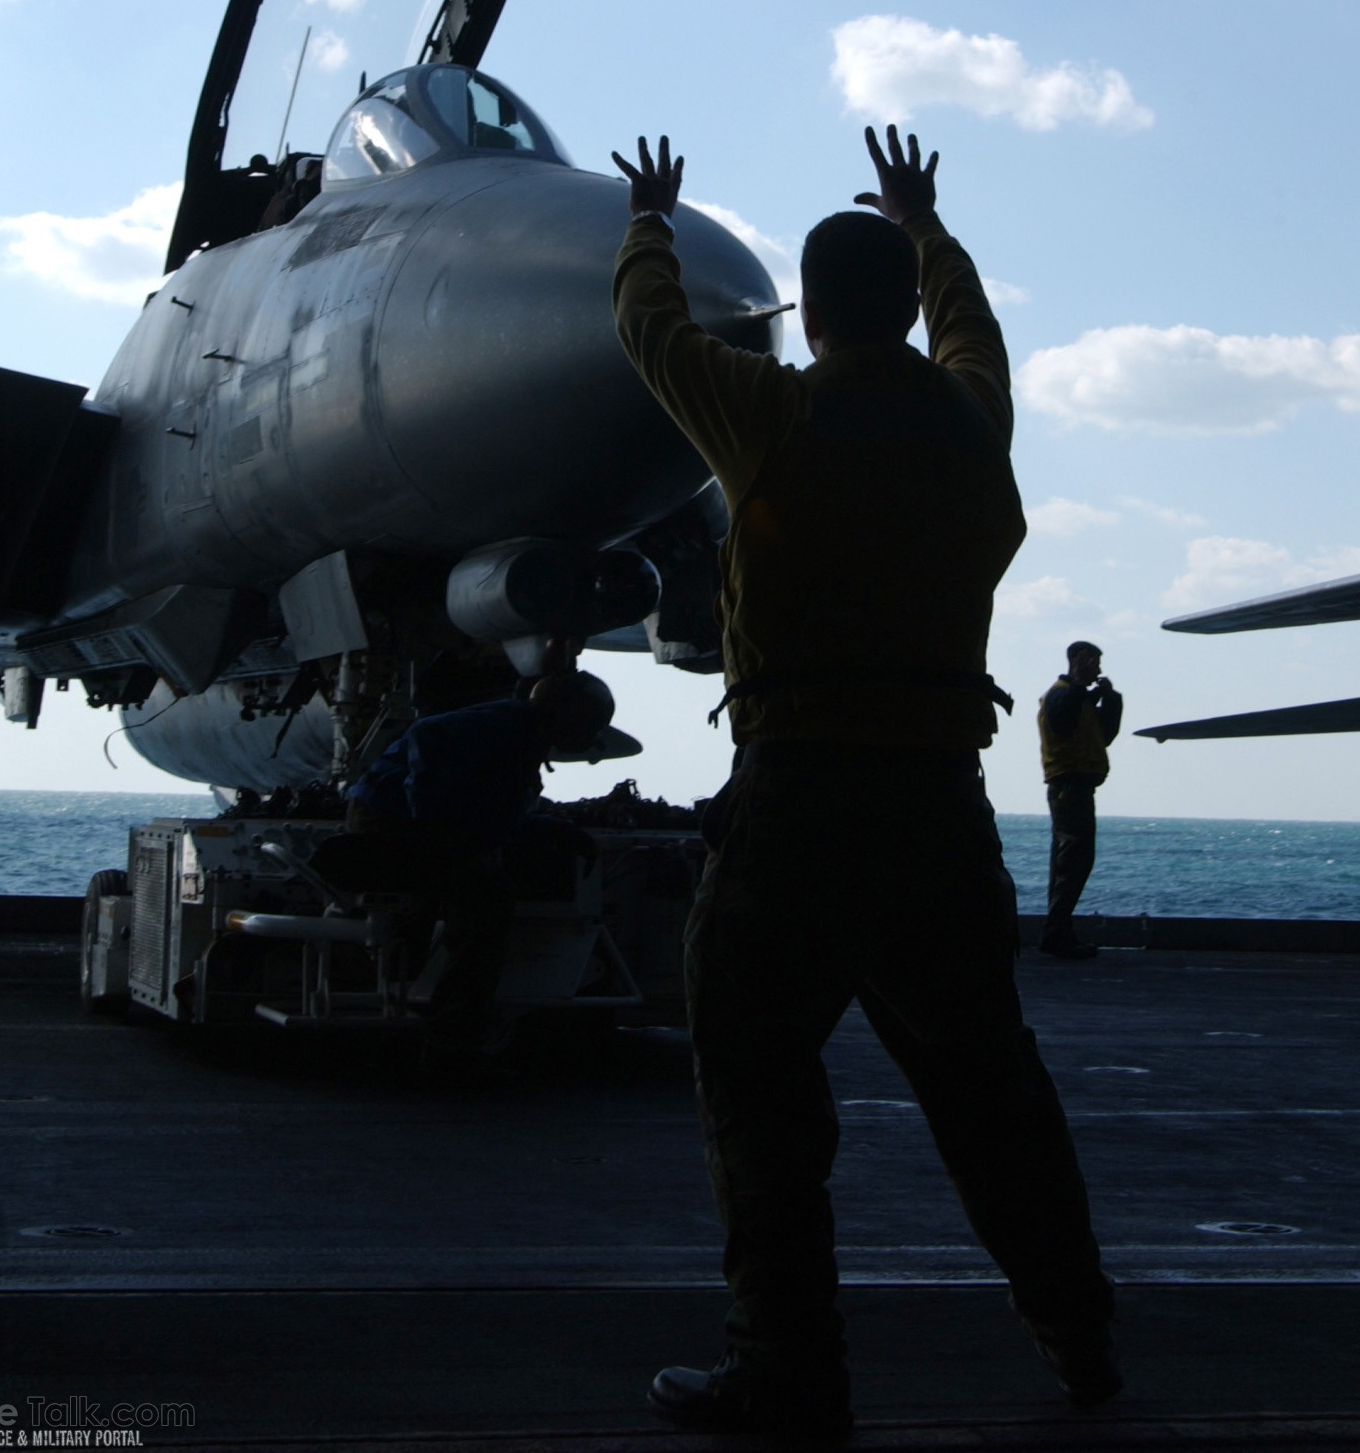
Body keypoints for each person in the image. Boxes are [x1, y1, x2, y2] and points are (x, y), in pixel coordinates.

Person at [610, 126, 1117, 1440]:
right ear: (902, 306)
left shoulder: (775, 411)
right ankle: (1081, 1336)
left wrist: (649, 225)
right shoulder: (970, 416)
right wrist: (925, 222)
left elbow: (652, 337)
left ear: (813, 316)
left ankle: (787, 1367)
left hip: (799, 806)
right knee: (992, 1094)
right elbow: (974, 325)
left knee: (762, 1096)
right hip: (941, 808)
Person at [310, 671, 614, 1073]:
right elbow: (427, 738)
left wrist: (553, 829)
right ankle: (450, 1043)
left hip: (408, 823)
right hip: (393, 822)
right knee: (486, 910)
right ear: (568, 718)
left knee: (470, 901)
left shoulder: (521, 735)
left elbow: (495, 810)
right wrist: (432, 822)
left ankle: (425, 998)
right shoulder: (504, 726)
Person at [1038, 642, 1122, 960]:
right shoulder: (1059, 694)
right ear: (1077, 661)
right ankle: (1056, 934)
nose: (1098, 669)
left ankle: (1058, 931)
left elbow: (1104, 736)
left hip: (1077, 789)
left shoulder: (1080, 701)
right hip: (1068, 788)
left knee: (1066, 863)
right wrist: (1079, 685)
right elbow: (1062, 722)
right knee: (1074, 862)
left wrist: (1109, 699)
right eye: (1093, 662)